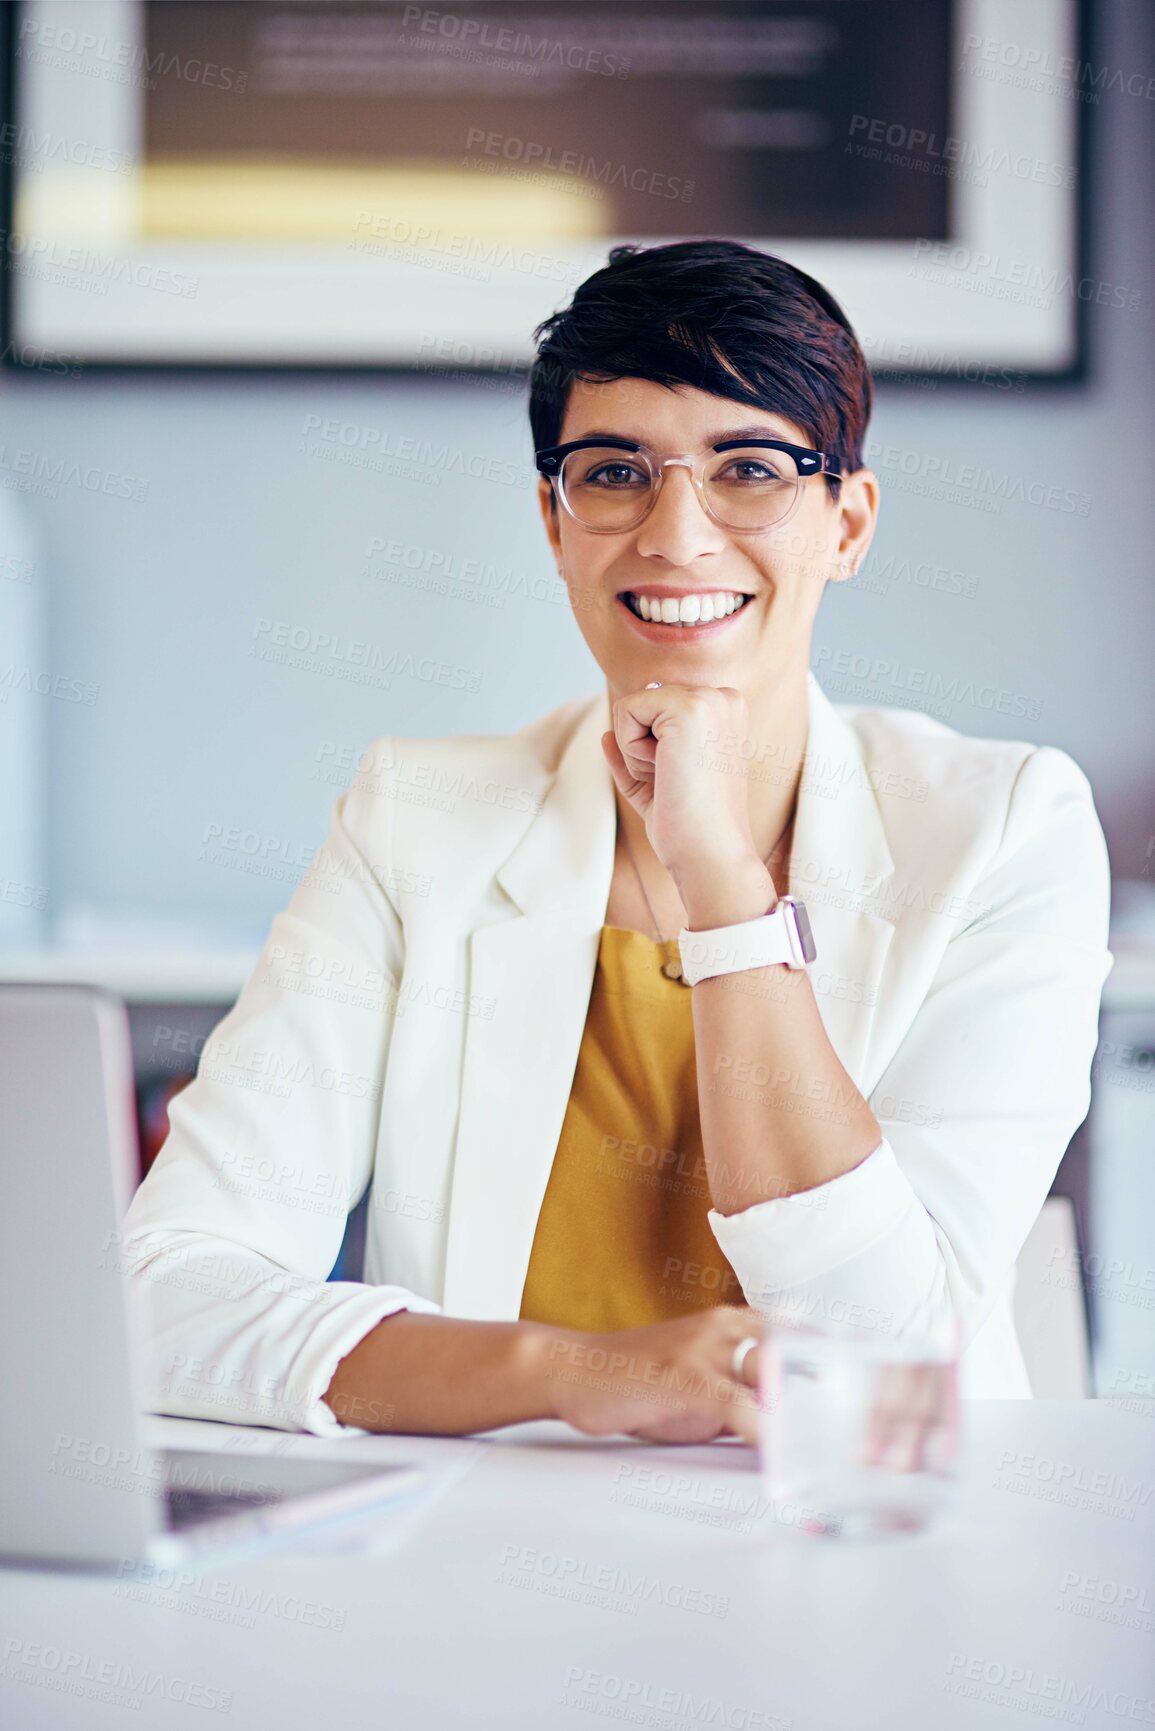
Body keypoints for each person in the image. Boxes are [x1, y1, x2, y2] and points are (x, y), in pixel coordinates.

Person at [121, 240, 1112, 1450]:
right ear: (555, 519)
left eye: (750, 468)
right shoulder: (415, 818)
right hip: (483, 1559)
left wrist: (723, 888)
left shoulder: (1006, 828)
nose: (676, 535)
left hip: (861, 1551)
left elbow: (881, 1351)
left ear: (846, 522)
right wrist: (570, 1372)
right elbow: (163, 1295)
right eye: (614, 473)